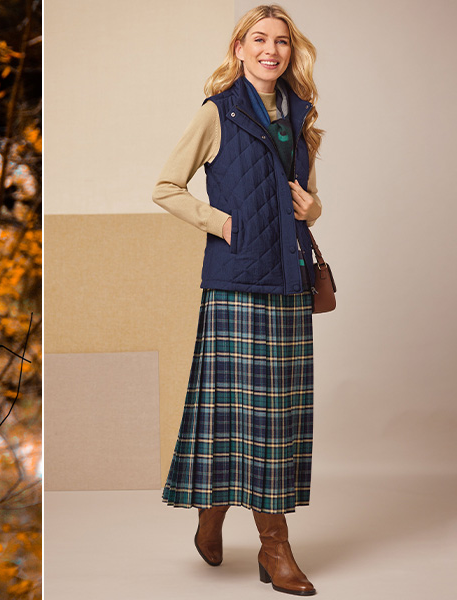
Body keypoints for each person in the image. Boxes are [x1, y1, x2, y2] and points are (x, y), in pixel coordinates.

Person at [153, 4, 323, 597]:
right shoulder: (217, 112)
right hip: (236, 281)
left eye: (281, 41)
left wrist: (314, 208)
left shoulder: (301, 115)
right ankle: (272, 545)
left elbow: (307, 199)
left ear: (290, 52)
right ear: (239, 48)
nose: (271, 50)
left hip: (290, 281)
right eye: (259, 39)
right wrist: (221, 222)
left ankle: (221, 513)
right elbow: (166, 187)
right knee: (237, 411)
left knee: (279, 415)